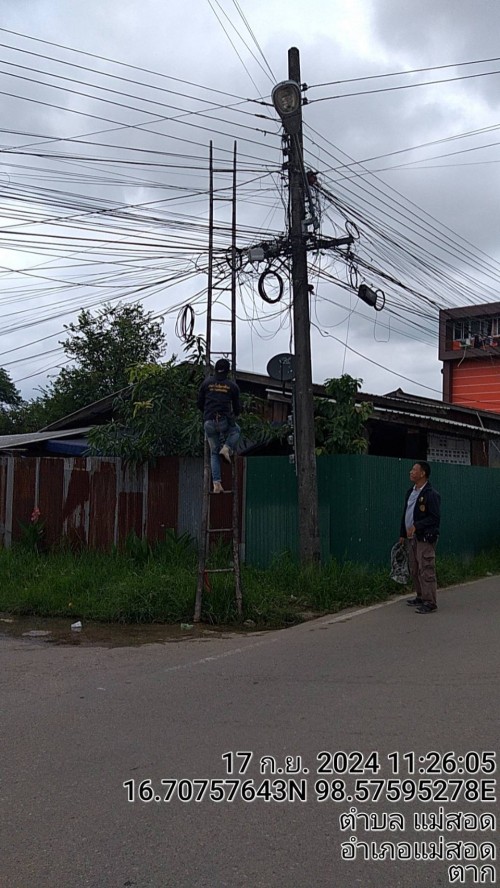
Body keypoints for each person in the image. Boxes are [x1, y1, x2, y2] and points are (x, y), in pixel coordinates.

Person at [399, 461, 441, 614]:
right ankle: (420, 595)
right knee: (414, 568)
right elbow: (406, 513)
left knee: (426, 568)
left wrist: (417, 525)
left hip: (425, 537)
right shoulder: (411, 492)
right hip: (412, 538)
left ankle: (430, 602)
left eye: (414, 470)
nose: (411, 472)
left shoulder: (431, 494)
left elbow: (434, 518)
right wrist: (403, 534)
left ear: (423, 473)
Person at [197, 358, 241, 493]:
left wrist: (207, 414)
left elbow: (199, 403)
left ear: (215, 369)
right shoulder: (232, 386)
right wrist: (233, 417)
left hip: (209, 422)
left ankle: (216, 484)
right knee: (236, 431)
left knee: (214, 453)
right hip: (223, 420)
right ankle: (227, 448)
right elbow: (237, 407)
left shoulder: (206, 383)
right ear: (228, 371)